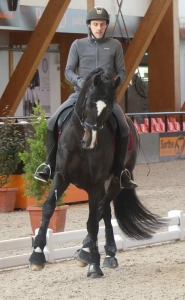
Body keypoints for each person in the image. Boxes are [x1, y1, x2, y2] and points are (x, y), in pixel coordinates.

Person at [34, 6, 138, 189]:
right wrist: (82, 83)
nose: (99, 27)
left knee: (124, 127)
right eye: (96, 24)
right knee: (52, 122)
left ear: (106, 26)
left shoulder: (115, 45)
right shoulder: (78, 45)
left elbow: (121, 71)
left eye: (102, 24)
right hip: (80, 95)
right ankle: (49, 166)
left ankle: (121, 172)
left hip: (104, 98)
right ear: (89, 25)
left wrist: (113, 84)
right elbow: (68, 70)